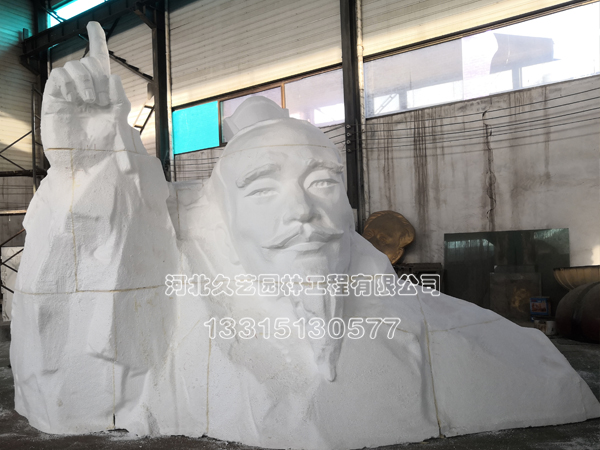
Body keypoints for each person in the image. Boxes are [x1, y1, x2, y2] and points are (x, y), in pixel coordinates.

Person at [10, 22, 600, 449]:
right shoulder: (180, 310)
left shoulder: (477, 343)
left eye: (322, 183)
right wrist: (89, 169)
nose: (301, 212)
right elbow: (81, 346)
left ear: (347, 208)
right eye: (262, 188)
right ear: (220, 213)